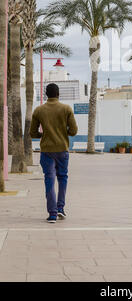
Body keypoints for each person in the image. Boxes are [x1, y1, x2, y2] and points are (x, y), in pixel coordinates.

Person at [30, 83, 78, 223]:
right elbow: (74, 131)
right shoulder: (66, 108)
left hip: (47, 151)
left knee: (49, 180)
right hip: (62, 149)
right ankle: (61, 208)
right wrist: (63, 133)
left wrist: (44, 135)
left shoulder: (39, 110)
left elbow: (32, 132)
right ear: (58, 94)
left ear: (46, 94)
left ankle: (52, 214)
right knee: (62, 177)